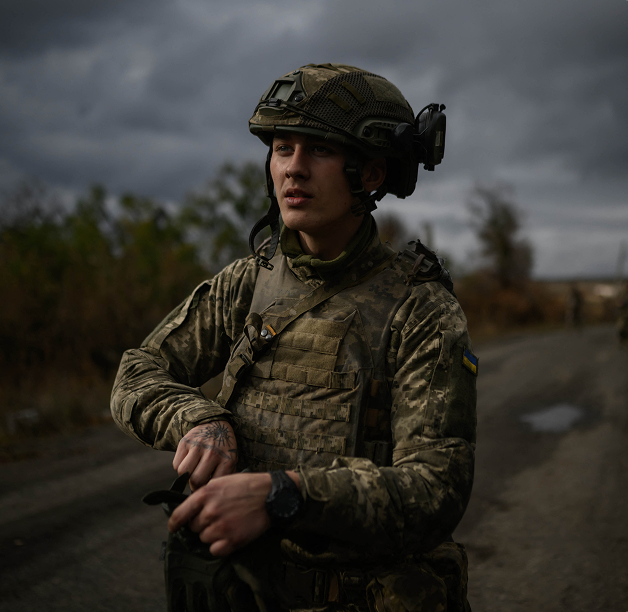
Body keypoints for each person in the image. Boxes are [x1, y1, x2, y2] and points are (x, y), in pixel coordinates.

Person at [111, 63, 478, 611]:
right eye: (282, 148)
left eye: (320, 150)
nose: (293, 169)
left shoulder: (421, 310)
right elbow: (137, 371)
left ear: (371, 172)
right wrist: (198, 419)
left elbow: (436, 489)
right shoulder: (247, 283)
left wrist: (284, 494)